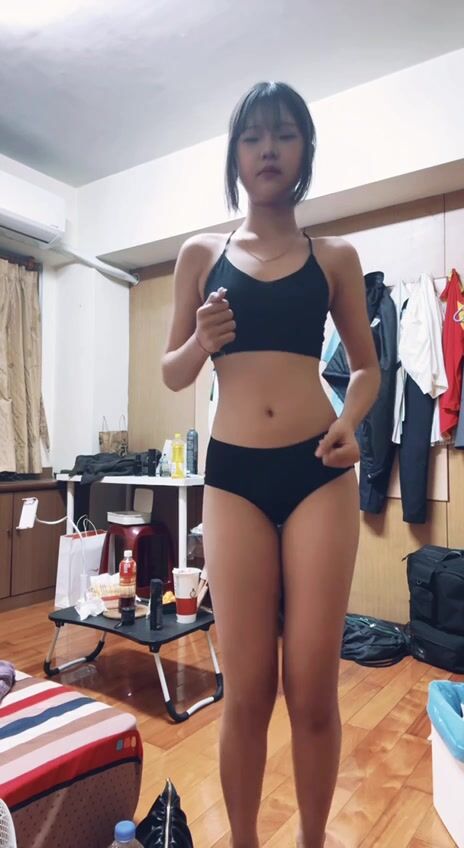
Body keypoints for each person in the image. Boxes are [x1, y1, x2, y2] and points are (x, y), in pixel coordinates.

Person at [162, 81, 380, 848]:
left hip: (318, 471)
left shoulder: (336, 258)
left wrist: (350, 423)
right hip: (234, 481)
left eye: (283, 134)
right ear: (235, 155)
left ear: (304, 151)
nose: (267, 149)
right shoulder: (201, 255)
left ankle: (313, 841)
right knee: (248, 690)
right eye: (253, 136)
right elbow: (172, 373)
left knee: (311, 689)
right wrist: (201, 339)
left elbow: (366, 368)